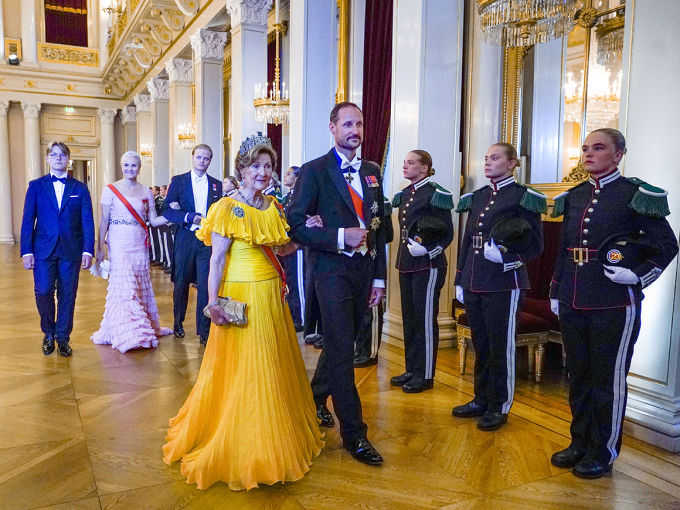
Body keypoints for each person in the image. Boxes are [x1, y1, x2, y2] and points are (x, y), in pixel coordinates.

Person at [163, 135, 324, 491]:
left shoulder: (273, 207)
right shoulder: (224, 208)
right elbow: (216, 260)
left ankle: (273, 434)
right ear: (241, 169)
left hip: (271, 296)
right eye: (256, 166)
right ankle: (242, 440)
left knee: (272, 364)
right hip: (239, 296)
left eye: (268, 166)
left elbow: (281, 250)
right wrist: (212, 302)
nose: (264, 172)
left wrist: (307, 233)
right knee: (243, 368)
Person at [548, 129, 678, 479]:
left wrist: (637, 276)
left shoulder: (635, 195)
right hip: (575, 297)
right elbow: (564, 249)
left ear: (619, 154)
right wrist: (556, 292)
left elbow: (667, 246)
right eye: (586, 148)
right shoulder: (575, 196)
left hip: (613, 302)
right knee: (578, 377)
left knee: (607, 381)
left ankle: (602, 451)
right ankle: (579, 443)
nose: (589, 154)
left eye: (599, 148)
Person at [287, 101, 387, 466]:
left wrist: (379, 277)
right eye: (347, 124)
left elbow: (380, 228)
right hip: (330, 271)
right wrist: (339, 235)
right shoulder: (314, 171)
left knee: (343, 340)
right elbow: (295, 225)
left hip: (364, 273)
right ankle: (355, 435)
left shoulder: (373, 171)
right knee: (344, 350)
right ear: (332, 128)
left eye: (359, 124)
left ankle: (315, 397)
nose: (354, 130)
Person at [452, 143, 545, 431]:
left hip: (505, 282)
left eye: (495, 158)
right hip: (475, 279)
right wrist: (460, 279)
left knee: (500, 345)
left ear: (512, 163)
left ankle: (499, 405)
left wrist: (507, 257)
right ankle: (481, 398)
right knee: (481, 343)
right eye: (486, 157)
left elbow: (535, 245)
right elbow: (468, 240)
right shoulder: (478, 196)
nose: (488, 162)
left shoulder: (523, 197)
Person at [91, 152, 173, 352]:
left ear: (139, 168)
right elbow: (104, 220)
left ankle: (130, 327)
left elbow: (153, 221)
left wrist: (177, 215)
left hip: (139, 242)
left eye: (134, 166)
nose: (130, 169)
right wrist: (99, 247)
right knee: (124, 287)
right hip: (118, 241)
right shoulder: (110, 190)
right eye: (126, 165)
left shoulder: (146, 191)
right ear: (121, 167)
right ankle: (131, 334)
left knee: (138, 284)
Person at [20, 141, 95, 357]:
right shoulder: (36, 186)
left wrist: (88, 250)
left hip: (71, 250)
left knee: (68, 295)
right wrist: (27, 251)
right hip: (43, 248)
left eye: (62, 154)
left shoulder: (79, 188)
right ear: (48, 158)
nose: (58, 158)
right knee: (43, 291)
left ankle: (62, 338)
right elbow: (28, 221)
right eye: (54, 154)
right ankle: (48, 333)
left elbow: (87, 221)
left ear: (68, 159)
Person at [389, 151, 454, 392]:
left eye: (411, 163)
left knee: (425, 320)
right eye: (404, 162)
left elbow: (447, 232)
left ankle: (425, 374)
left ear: (425, 168)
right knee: (411, 318)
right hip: (407, 261)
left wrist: (428, 251)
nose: (405, 166)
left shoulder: (436, 193)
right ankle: (412, 368)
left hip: (428, 264)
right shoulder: (406, 193)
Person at [162, 144, 223, 345]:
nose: (202, 161)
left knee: (206, 284)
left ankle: (204, 331)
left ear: (210, 161)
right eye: (199, 157)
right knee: (181, 282)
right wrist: (188, 216)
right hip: (185, 238)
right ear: (192, 157)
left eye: (206, 158)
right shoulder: (178, 181)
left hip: (207, 241)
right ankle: (178, 322)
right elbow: (167, 210)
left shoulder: (216, 185)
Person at [354, 195, 394, 368]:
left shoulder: (379, 200)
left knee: (370, 310)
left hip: (371, 257)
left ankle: (370, 351)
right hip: (350, 260)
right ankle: (358, 347)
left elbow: (388, 234)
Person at [280, 166, 304, 331]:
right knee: (290, 281)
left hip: (298, 246)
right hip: (287, 245)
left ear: (297, 177)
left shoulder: (301, 196)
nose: (285, 176)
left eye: (289, 174)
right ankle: (293, 314)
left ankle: (301, 319)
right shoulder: (287, 197)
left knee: (299, 283)